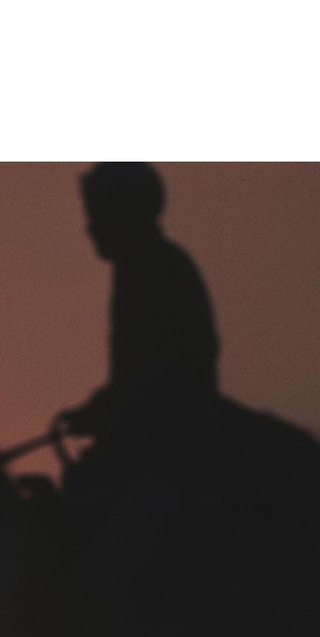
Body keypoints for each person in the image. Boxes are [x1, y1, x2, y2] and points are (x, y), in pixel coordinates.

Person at [58, 162, 220, 497]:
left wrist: (106, 411)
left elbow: (165, 371)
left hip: (170, 444)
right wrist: (99, 405)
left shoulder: (157, 268)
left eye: (97, 214)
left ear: (124, 214)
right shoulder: (142, 267)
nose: (89, 227)